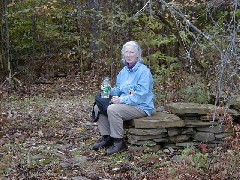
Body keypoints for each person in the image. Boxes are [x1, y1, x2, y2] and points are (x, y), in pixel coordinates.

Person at [92, 40, 155, 155]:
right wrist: (109, 90)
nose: (128, 55)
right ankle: (107, 138)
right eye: (126, 52)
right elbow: (118, 89)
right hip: (126, 104)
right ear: (123, 54)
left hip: (141, 106)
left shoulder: (143, 72)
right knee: (98, 107)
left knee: (113, 109)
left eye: (132, 52)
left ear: (137, 55)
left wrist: (121, 100)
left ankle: (119, 142)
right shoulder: (123, 72)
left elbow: (141, 96)